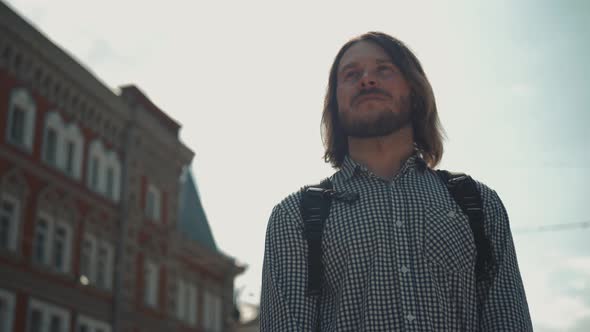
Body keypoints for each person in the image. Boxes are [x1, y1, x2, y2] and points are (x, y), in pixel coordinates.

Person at [260, 31, 532, 331]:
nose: (367, 80)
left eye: (383, 69)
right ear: (334, 103)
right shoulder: (294, 216)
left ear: (414, 90)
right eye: (351, 74)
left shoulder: (479, 204)